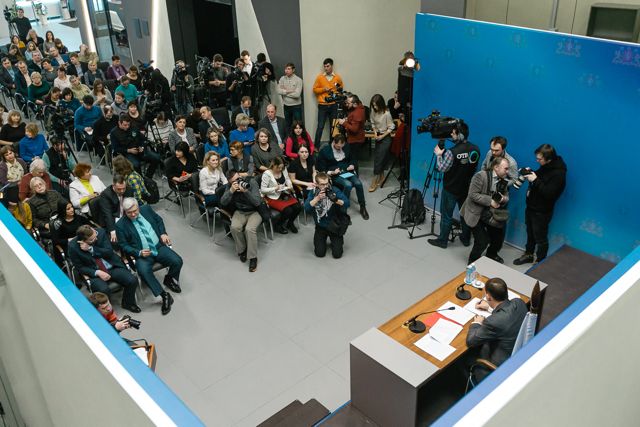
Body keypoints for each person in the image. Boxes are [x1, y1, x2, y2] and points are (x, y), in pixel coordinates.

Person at [116, 197, 182, 315]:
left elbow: (159, 220)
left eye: (135, 211)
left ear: (138, 207)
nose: (133, 214)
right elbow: (123, 245)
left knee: (177, 261)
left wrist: (163, 233)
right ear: (125, 212)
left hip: (158, 247)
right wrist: (138, 253)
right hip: (142, 254)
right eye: (129, 212)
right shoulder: (120, 225)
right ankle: (164, 295)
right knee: (144, 271)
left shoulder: (146, 209)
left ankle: (169, 279)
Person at [427, 122, 480, 249]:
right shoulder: (475, 149)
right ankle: (466, 239)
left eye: (454, 133)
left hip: (451, 189)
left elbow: (441, 168)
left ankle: (442, 241)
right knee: (465, 215)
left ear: (460, 135)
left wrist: (439, 155)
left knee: (446, 216)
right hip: (466, 188)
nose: (451, 134)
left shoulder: (452, 152)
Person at [513, 144, 567, 265]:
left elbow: (549, 194)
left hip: (542, 212)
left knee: (540, 238)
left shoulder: (559, 174)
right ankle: (528, 254)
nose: (537, 161)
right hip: (531, 207)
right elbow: (540, 177)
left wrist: (535, 180)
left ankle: (540, 262)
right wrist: (530, 172)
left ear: (549, 159)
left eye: (539, 159)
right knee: (530, 234)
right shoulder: (545, 166)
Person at [466, 277, 528, 383]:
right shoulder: (519, 302)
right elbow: (507, 314)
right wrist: (490, 308)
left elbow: (470, 341)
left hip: (498, 366)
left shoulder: (492, 322)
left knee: (465, 357)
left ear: (488, 296)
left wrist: (476, 323)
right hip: (519, 352)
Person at [70, 225, 140, 313]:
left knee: (132, 280)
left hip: (111, 267)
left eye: (95, 235)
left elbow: (109, 252)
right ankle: (107, 311)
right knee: (103, 290)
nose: (95, 239)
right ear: (83, 240)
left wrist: (91, 248)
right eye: (91, 239)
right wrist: (97, 272)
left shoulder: (100, 232)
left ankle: (127, 303)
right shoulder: (73, 246)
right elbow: (80, 267)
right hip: (94, 273)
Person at [461, 157, 511, 264]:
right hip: (475, 213)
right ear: (496, 167)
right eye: (506, 169)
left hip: (489, 214)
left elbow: (507, 197)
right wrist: (490, 201)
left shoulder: (503, 180)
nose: (508, 172)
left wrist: (503, 199)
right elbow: (472, 195)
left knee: (498, 236)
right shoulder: (480, 176)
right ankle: (473, 260)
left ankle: (491, 254)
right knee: (482, 241)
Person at [316, 135, 369, 220]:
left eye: (341, 146)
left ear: (344, 144)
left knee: (358, 183)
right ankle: (343, 211)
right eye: (338, 146)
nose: (339, 148)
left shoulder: (347, 147)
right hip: (335, 174)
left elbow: (353, 158)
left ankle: (363, 207)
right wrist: (332, 172)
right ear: (334, 142)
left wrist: (352, 165)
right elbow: (321, 168)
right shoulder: (325, 151)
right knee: (348, 185)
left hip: (346, 171)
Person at [220, 169, 263, 272]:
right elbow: (223, 202)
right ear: (230, 182)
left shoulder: (251, 182)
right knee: (234, 227)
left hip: (255, 211)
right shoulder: (230, 186)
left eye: (238, 179)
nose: (238, 182)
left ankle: (253, 257)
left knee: (249, 229)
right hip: (240, 211)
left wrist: (246, 192)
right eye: (234, 181)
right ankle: (242, 250)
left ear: (240, 175)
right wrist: (231, 191)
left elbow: (257, 202)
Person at [304, 172, 350, 258]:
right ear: (317, 184)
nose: (325, 186)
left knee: (337, 254)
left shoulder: (334, 190)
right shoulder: (313, 193)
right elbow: (306, 208)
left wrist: (336, 200)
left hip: (334, 225)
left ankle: (336, 241)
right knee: (319, 254)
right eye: (322, 184)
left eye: (327, 183)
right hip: (320, 226)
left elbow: (347, 203)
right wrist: (317, 198)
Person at [260, 157, 301, 234]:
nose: (280, 169)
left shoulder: (283, 170)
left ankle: (290, 223)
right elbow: (263, 190)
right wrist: (275, 188)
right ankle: (278, 225)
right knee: (288, 210)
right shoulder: (267, 174)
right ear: (273, 165)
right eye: (278, 167)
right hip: (272, 197)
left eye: (282, 167)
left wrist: (289, 185)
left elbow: (287, 179)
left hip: (283, 193)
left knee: (298, 207)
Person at [313, 58, 344, 145]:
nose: (326, 68)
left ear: (332, 66)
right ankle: (316, 146)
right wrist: (323, 89)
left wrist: (335, 94)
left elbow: (341, 89)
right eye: (325, 66)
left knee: (333, 127)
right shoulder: (320, 77)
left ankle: (332, 145)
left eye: (328, 66)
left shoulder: (337, 77)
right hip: (322, 105)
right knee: (320, 126)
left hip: (334, 105)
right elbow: (314, 90)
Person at [368, 94, 395, 192]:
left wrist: (382, 136)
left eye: (376, 105)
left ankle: (374, 180)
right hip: (378, 136)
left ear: (381, 104)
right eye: (373, 105)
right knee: (379, 158)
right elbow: (372, 123)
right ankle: (382, 177)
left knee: (378, 159)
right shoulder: (373, 111)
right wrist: (375, 133)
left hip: (386, 138)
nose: (375, 107)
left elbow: (391, 127)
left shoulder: (386, 113)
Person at [98, 174, 133, 242]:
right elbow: (107, 214)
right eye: (119, 189)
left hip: (125, 216)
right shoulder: (105, 195)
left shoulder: (129, 190)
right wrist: (112, 230)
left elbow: (131, 205)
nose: (122, 191)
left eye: (124, 188)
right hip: (113, 219)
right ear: (113, 185)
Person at [337, 94, 366, 163]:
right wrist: (348, 120)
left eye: (349, 103)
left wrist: (344, 123)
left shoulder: (357, 112)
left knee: (353, 160)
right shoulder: (358, 108)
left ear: (355, 104)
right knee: (353, 159)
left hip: (355, 140)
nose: (347, 104)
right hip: (354, 139)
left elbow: (354, 129)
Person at [277, 63, 303, 130]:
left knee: (298, 124)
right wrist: (288, 91)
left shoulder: (298, 80)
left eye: (288, 69)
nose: (286, 71)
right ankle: (289, 137)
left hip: (296, 106)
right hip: (286, 106)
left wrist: (284, 92)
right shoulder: (282, 78)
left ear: (293, 70)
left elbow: (297, 95)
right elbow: (278, 91)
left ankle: (299, 137)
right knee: (288, 125)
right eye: (286, 69)